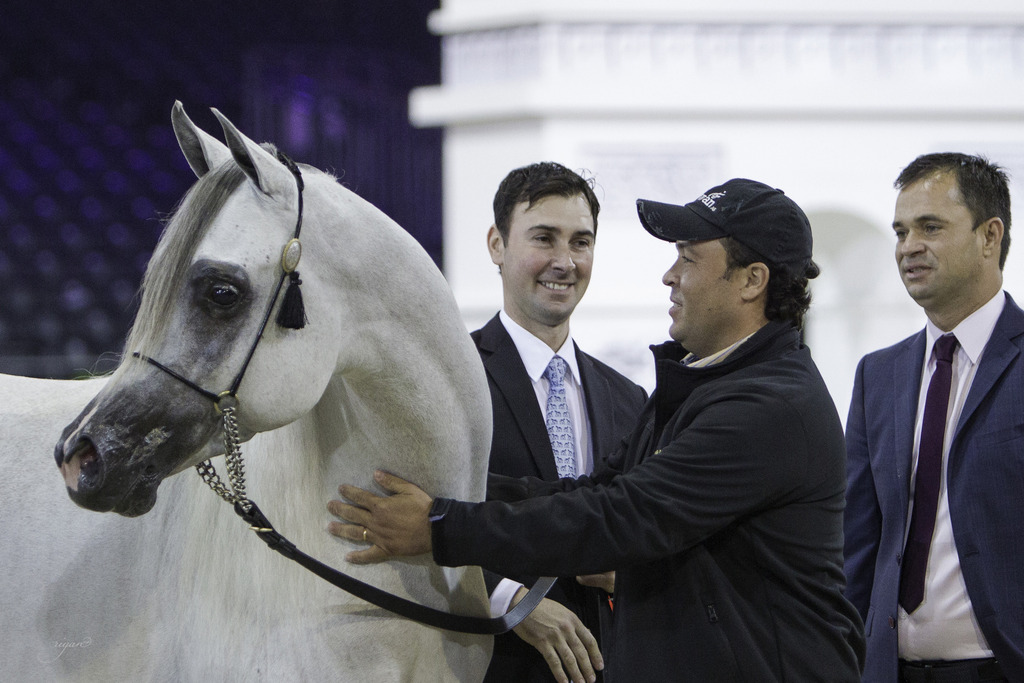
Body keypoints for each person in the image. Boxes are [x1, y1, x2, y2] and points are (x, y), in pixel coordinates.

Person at [328, 178, 866, 681]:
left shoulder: (768, 405)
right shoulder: (701, 385)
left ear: (752, 281)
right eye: (543, 237)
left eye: (687, 258)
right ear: (497, 245)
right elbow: (593, 492)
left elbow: (620, 516)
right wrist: (446, 497)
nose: (670, 276)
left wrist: (442, 527)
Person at [844, 153, 1023, 682]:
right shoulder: (878, 375)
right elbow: (858, 545)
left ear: (990, 236)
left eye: (930, 227)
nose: (908, 247)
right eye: (901, 232)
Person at [473, 162, 647, 683]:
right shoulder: (451, 378)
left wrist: (628, 571)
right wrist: (511, 600)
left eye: (581, 242)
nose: (565, 262)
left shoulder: (629, 399)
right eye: (544, 238)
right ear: (497, 245)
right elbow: (414, 519)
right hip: (489, 666)